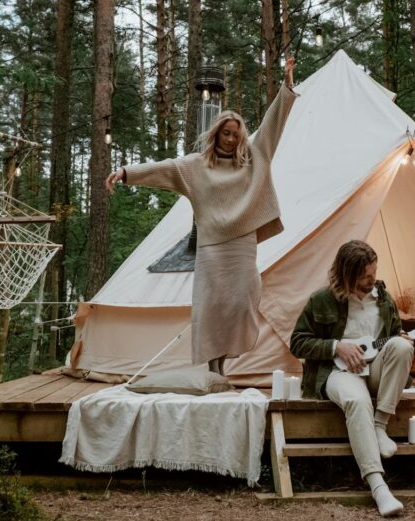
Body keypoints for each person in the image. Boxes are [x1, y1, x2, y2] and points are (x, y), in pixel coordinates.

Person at [105, 57, 299, 375]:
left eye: (237, 134)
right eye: (227, 133)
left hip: (241, 246)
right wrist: (126, 173)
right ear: (217, 134)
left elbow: (273, 122)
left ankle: (225, 361)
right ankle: (214, 370)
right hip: (212, 248)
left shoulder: (254, 157)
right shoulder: (197, 166)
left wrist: (287, 86)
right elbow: (164, 169)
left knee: (240, 303)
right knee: (211, 308)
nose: (232, 139)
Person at [289, 240, 414, 517]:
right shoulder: (321, 299)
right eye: (365, 276)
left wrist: (400, 337)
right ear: (348, 274)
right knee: (357, 402)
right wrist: (336, 347)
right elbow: (297, 342)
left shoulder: (383, 299)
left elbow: (394, 334)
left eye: (374, 272)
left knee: (403, 346)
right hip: (338, 372)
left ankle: (380, 425)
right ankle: (379, 486)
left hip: (376, 372)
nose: (373, 279)